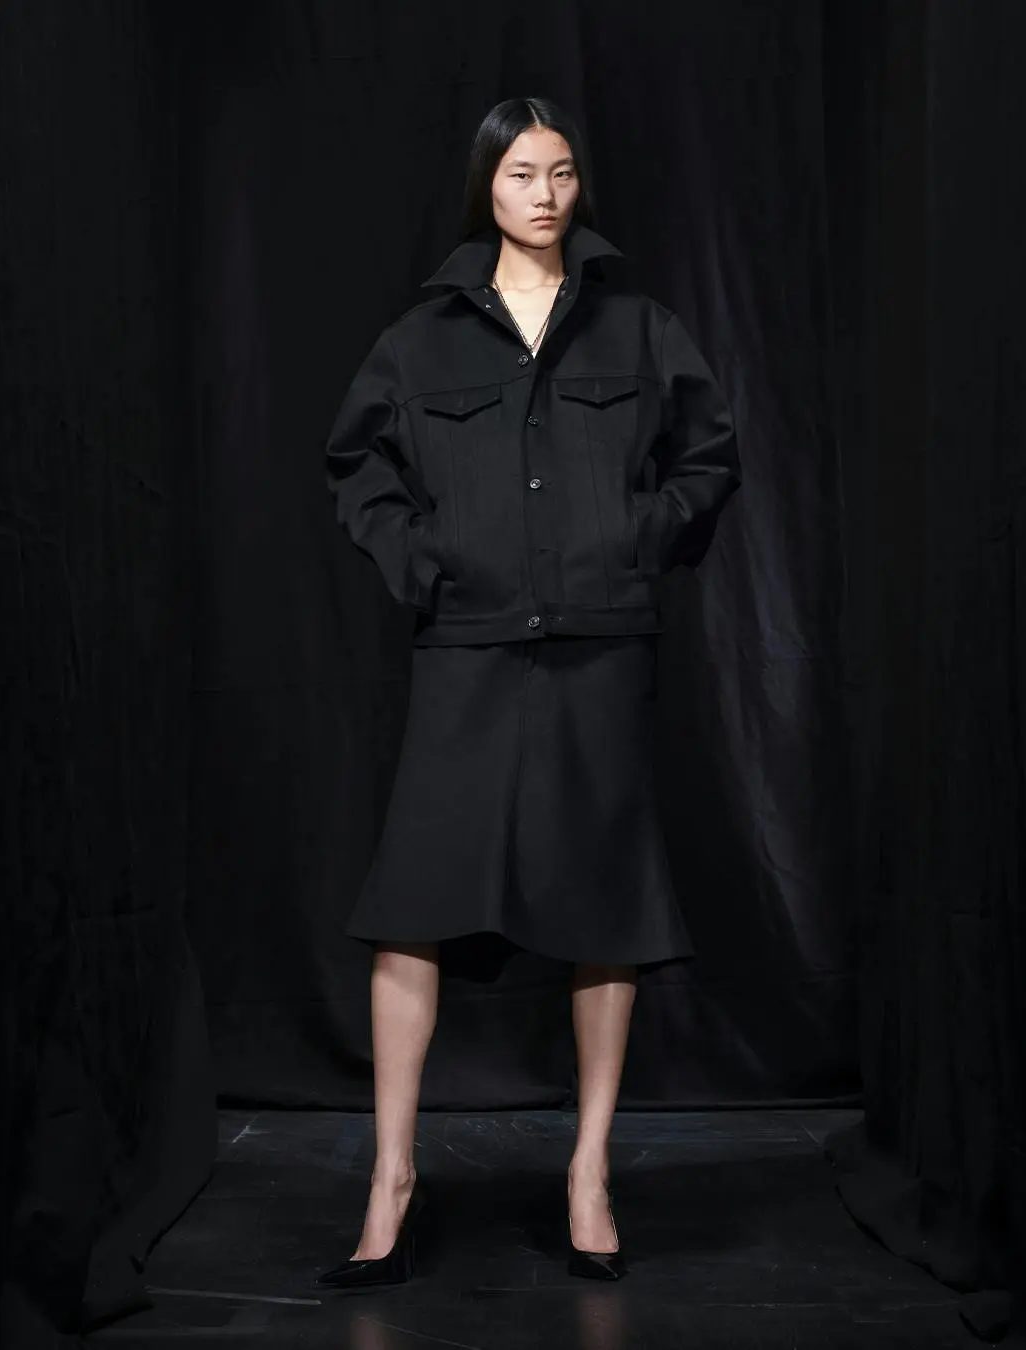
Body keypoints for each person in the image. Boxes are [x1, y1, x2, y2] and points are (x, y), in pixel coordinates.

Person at [315, 96, 741, 1289]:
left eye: (559, 173)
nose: (544, 195)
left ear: (577, 184)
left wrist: (638, 537)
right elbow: (356, 465)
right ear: (485, 188)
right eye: (519, 175)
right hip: (468, 647)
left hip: (601, 648)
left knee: (607, 906)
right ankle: (391, 1179)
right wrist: (422, 564)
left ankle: (588, 1174)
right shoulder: (420, 341)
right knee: (414, 906)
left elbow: (710, 453)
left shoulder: (639, 328)